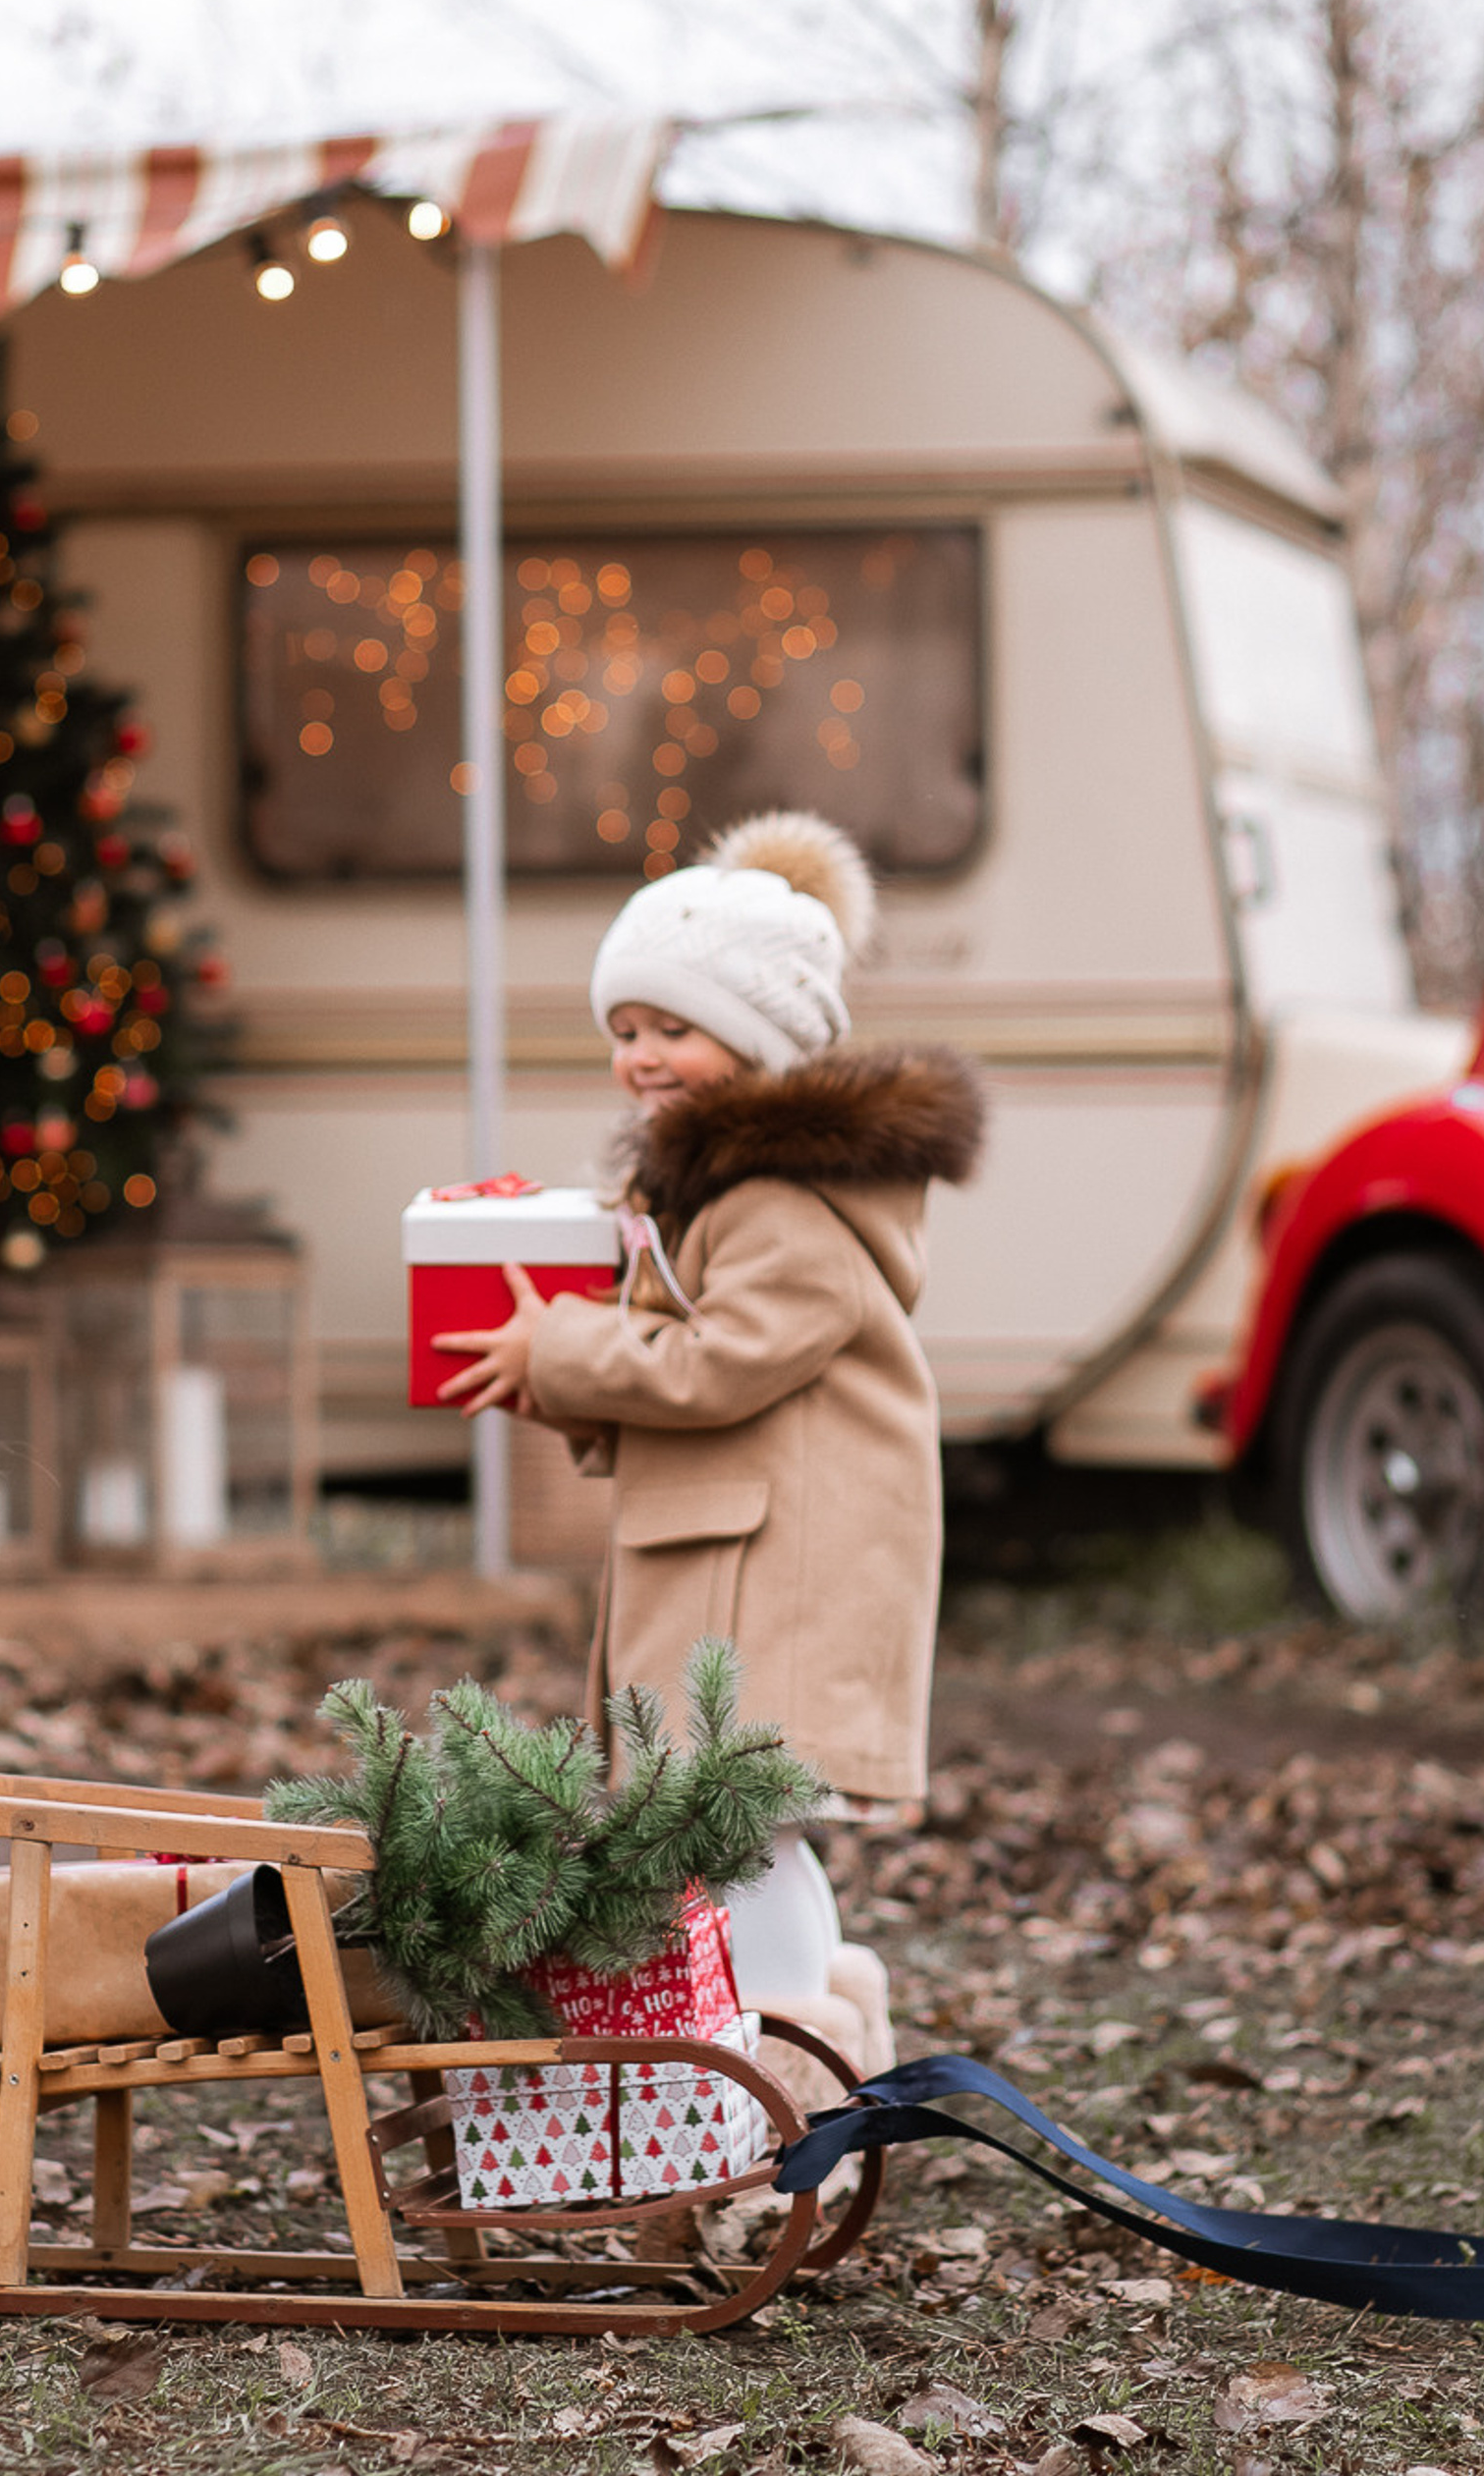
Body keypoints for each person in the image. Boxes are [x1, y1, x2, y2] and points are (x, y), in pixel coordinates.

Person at [435, 811, 982, 2078]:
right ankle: (807, 2069)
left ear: (761, 1035)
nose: (639, 1058)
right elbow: (694, 1367)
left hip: (778, 1581)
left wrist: (563, 1348)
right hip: (736, 1561)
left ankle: (778, 2090)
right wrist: (557, 1377)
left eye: (671, 1028)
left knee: (734, 1837)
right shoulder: (727, 1189)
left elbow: (725, 1360)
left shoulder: (786, 1197)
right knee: (738, 1838)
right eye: (624, 1030)